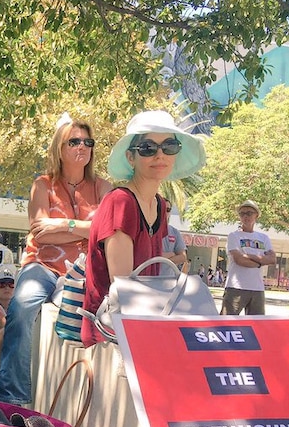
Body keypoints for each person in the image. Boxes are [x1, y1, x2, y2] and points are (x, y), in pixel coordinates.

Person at [0, 113, 111, 405]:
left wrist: (63, 225)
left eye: (88, 141)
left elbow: (105, 231)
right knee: (21, 308)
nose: (82, 147)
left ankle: (72, 402)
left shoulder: (103, 188)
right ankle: (13, 400)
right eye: (74, 141)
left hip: (84, 271)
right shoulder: (42, 185)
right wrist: (84, 231)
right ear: (59, 148)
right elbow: (40, 233)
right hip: (43, 266)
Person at [81, 110, 206, 347]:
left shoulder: (159, 204)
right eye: (148, 148)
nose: (160, 155)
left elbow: (155, 271)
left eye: (169, 146)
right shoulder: (121, 201)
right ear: (131, 157)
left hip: (144, 322)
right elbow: (124, 286)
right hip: (110, 331)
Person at [221, 199, 275, 315]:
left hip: (257, 288)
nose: (246, 216)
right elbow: (239, 260)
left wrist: (249, 256)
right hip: (235, 287)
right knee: (227, 324)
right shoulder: (234, 236)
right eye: (242, 213)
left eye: (249, 213)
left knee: (258, 326)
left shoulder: (263, 237)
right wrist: (260, 261)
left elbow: (272, 259)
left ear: (256, 216)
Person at [161, 199, 187, 271]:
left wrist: (162, 259)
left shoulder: (175, 232)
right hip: (148, 278)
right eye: (162, 209)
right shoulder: (146, 230)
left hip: (169, 278)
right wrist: (171, 254)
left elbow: (183, 257)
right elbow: (147, 257)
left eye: (168, 210)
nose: (165, 212)